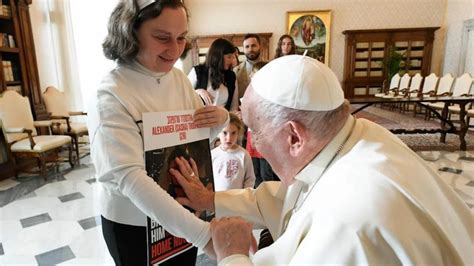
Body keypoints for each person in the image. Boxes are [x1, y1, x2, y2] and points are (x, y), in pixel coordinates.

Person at [171, 55, 473, 265]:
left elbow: (322, 210)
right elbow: (295, 200)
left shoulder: (347, 220)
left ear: (294, 137)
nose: (255, 144)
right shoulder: (358, 135)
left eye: (256, 132)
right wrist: (211, 199)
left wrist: (233, 255)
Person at [87, 0, 228, 265]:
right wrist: (203, 235)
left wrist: (220, 120)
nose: (175, 50)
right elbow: (130, 178)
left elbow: (193, 140)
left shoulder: (178, 79)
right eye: (162, 37)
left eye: (182, 37)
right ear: (130, 31)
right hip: (134, 224)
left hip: (182, 214)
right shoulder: (111, 92)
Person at [188, 38, 239, 111]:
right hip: (200, 119)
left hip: (224, 120)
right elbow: (184, 96)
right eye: (229, 57)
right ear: (218, 56)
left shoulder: (232, 76)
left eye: (232, 57)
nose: (232, 60)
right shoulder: (197, 71)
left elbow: (234, 106)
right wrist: (198, 91)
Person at [212, 112, 255, 191]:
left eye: (233, 133)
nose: (229, 138)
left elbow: (250, 179)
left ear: (238, 133)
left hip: (237, 200)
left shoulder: (244, 155)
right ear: (218, 132)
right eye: (225, 133)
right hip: (217, 199)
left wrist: (245, 197)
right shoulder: (213, 154)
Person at [234, 33, 262, 99]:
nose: (250, 49)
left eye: (253, 46)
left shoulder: (269, 67)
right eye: (247, 47)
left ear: (260, 46)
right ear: (243, 49)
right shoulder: (236, 71)